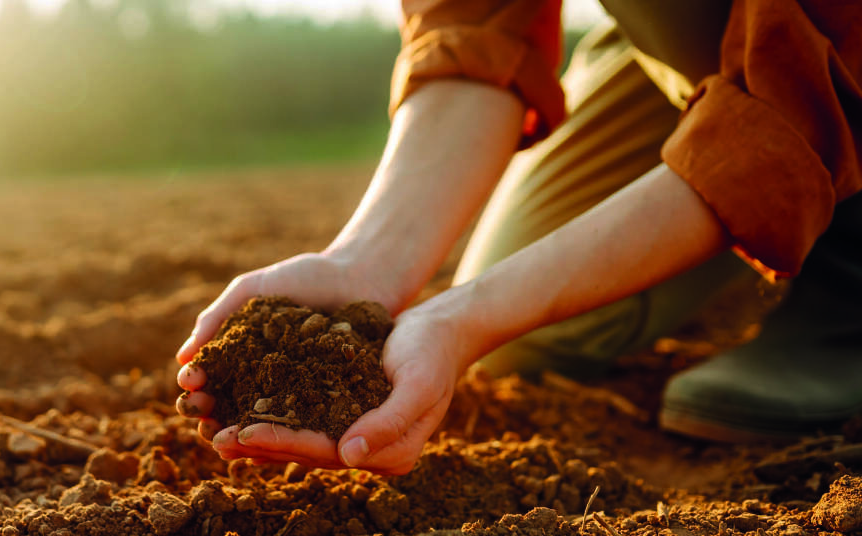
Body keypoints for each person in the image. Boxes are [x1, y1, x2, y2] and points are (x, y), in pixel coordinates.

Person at [174, 0, 862, 475]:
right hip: (723, 40)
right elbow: (478, 25)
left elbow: (801, 96)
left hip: (834, 35)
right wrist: (369, 264)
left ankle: (846, 269)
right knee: (526, 329)